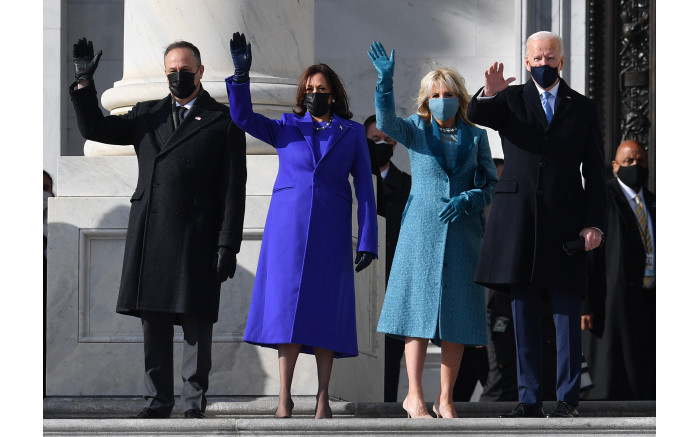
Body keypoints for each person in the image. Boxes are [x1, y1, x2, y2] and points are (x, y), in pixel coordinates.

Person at [69, 38, 247, 419]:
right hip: (153, 233)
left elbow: (234, 188)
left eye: (184, 69)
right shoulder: (146, 115)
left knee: (197, 322)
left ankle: (194, 404)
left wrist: (228, 244)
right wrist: (85, 84)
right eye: (171, 70)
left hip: (200, 235)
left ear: (200, 72)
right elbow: (94, 128)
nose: (177, 75)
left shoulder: (223, 120)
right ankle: (157, 401)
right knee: (155, 322)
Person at [226, 32, 378, 419]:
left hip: (330, 231)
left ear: (334, 93)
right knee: (287, 312)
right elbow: (242, 117)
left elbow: (365, 188)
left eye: (322, 88)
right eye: (309, 88)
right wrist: (241, 77)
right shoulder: (286, 126)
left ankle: (324, 397)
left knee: (327, 311)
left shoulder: (353, 132)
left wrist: (369, 241)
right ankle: (284, 397)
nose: (315, 93)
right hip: (287, 232)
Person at [468, 31, 606, 418]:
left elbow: (596, 173)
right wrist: (490, 92)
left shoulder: (583, 108)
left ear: (562, 61)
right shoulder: (510, 100)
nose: (543, 64)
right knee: (522, 314)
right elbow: (478, 115)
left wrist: (594, 223)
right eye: (536, 58)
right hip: (518, 222)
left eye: (550, 58)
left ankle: (566, 399)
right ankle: (528, 398)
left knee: (565, 315)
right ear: (526, 62)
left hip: (566, 223)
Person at [368, 41, 498, 419]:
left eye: (449, 94)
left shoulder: (476, 136)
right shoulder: (416, 128)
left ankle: (445, 398)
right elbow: (386, 123)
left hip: (462, 231)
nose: (443, 99)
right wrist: (384, 83)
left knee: (457, 313)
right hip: (421, 229)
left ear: (460, 97)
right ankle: (414, 396)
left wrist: (469, 200)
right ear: (427, 99)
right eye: (436, 94)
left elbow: (490, 184)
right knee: (417, 311)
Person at [581, 139, 655, 401]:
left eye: (641, 161)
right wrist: (585, 303)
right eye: (629, 161)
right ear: (615, 166)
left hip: (648, 298)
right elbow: (587, 255)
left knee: (643, 371)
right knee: (610, 370)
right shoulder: (601, 200)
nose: (636, 166)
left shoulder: (654, 203)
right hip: (610, 299)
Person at [363, 115, 412, 403]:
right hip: (360, 276)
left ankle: (388, 408)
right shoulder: (353, 182)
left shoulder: (406, 186)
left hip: (393, 279)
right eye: (374, 140)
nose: (381, 145)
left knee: (391, 353)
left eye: (386, 140)